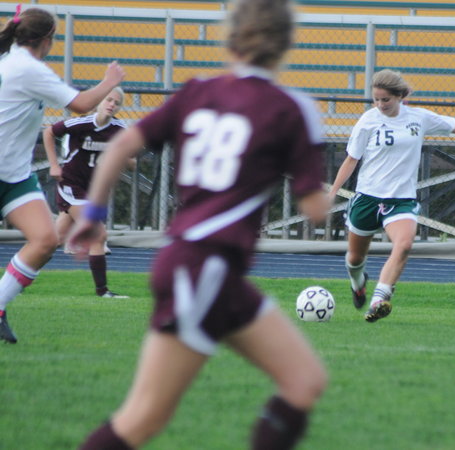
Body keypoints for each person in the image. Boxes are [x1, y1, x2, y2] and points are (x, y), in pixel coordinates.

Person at [71, 0, 329, 448]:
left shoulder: (197, 91)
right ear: (286, 43)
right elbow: (317, 210)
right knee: (141, 419)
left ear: (231, 38)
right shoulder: (292, 108)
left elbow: (121, 147)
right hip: (203, 267)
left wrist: (93, 215)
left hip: (208, 269)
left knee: (304, 380)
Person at [328, 69, 455, 323]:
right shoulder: (368, 121)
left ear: (400, 96)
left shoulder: (418, 118)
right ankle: (358, 283)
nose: (380, 104)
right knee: (355, 259)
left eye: (385, 99)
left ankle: (379, 299)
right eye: (376, 99)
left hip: (401, 200)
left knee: (404, 244)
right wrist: (333, 191)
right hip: (367, 198)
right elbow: (351, 159)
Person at [0, 6, 125, 344]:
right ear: (47, 39)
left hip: (14, 175)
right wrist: (109, 82)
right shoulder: (27, 67)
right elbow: (81, 104)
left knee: (45, 240)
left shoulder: (15, 61)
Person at [43, 87, 132, 299]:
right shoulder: (81, 123)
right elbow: (48, 132)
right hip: (71, 184)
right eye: (108, 99)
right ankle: (103, 292)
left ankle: (15, 278)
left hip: (91, 190)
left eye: (116, 103)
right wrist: (54, 165)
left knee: (50, 241)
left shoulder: (120, 129)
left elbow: (132, 163)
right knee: (98, 234)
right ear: (99, 101)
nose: (112, 104)